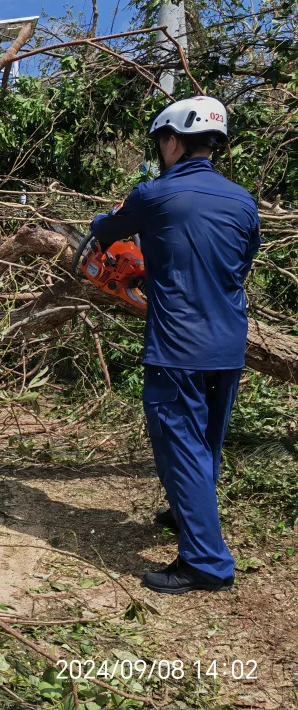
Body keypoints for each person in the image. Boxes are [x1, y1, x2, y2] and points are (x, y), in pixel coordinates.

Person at [89, 96, 260, 594]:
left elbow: (105, 230)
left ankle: (206, 563)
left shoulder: (154, 194)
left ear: (172, 140)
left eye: (161, 141)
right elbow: (238, 263)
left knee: (179, 444)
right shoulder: (243, 200)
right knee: (205, 441)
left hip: (178, 347)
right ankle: (188, 511)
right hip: (228, 342)